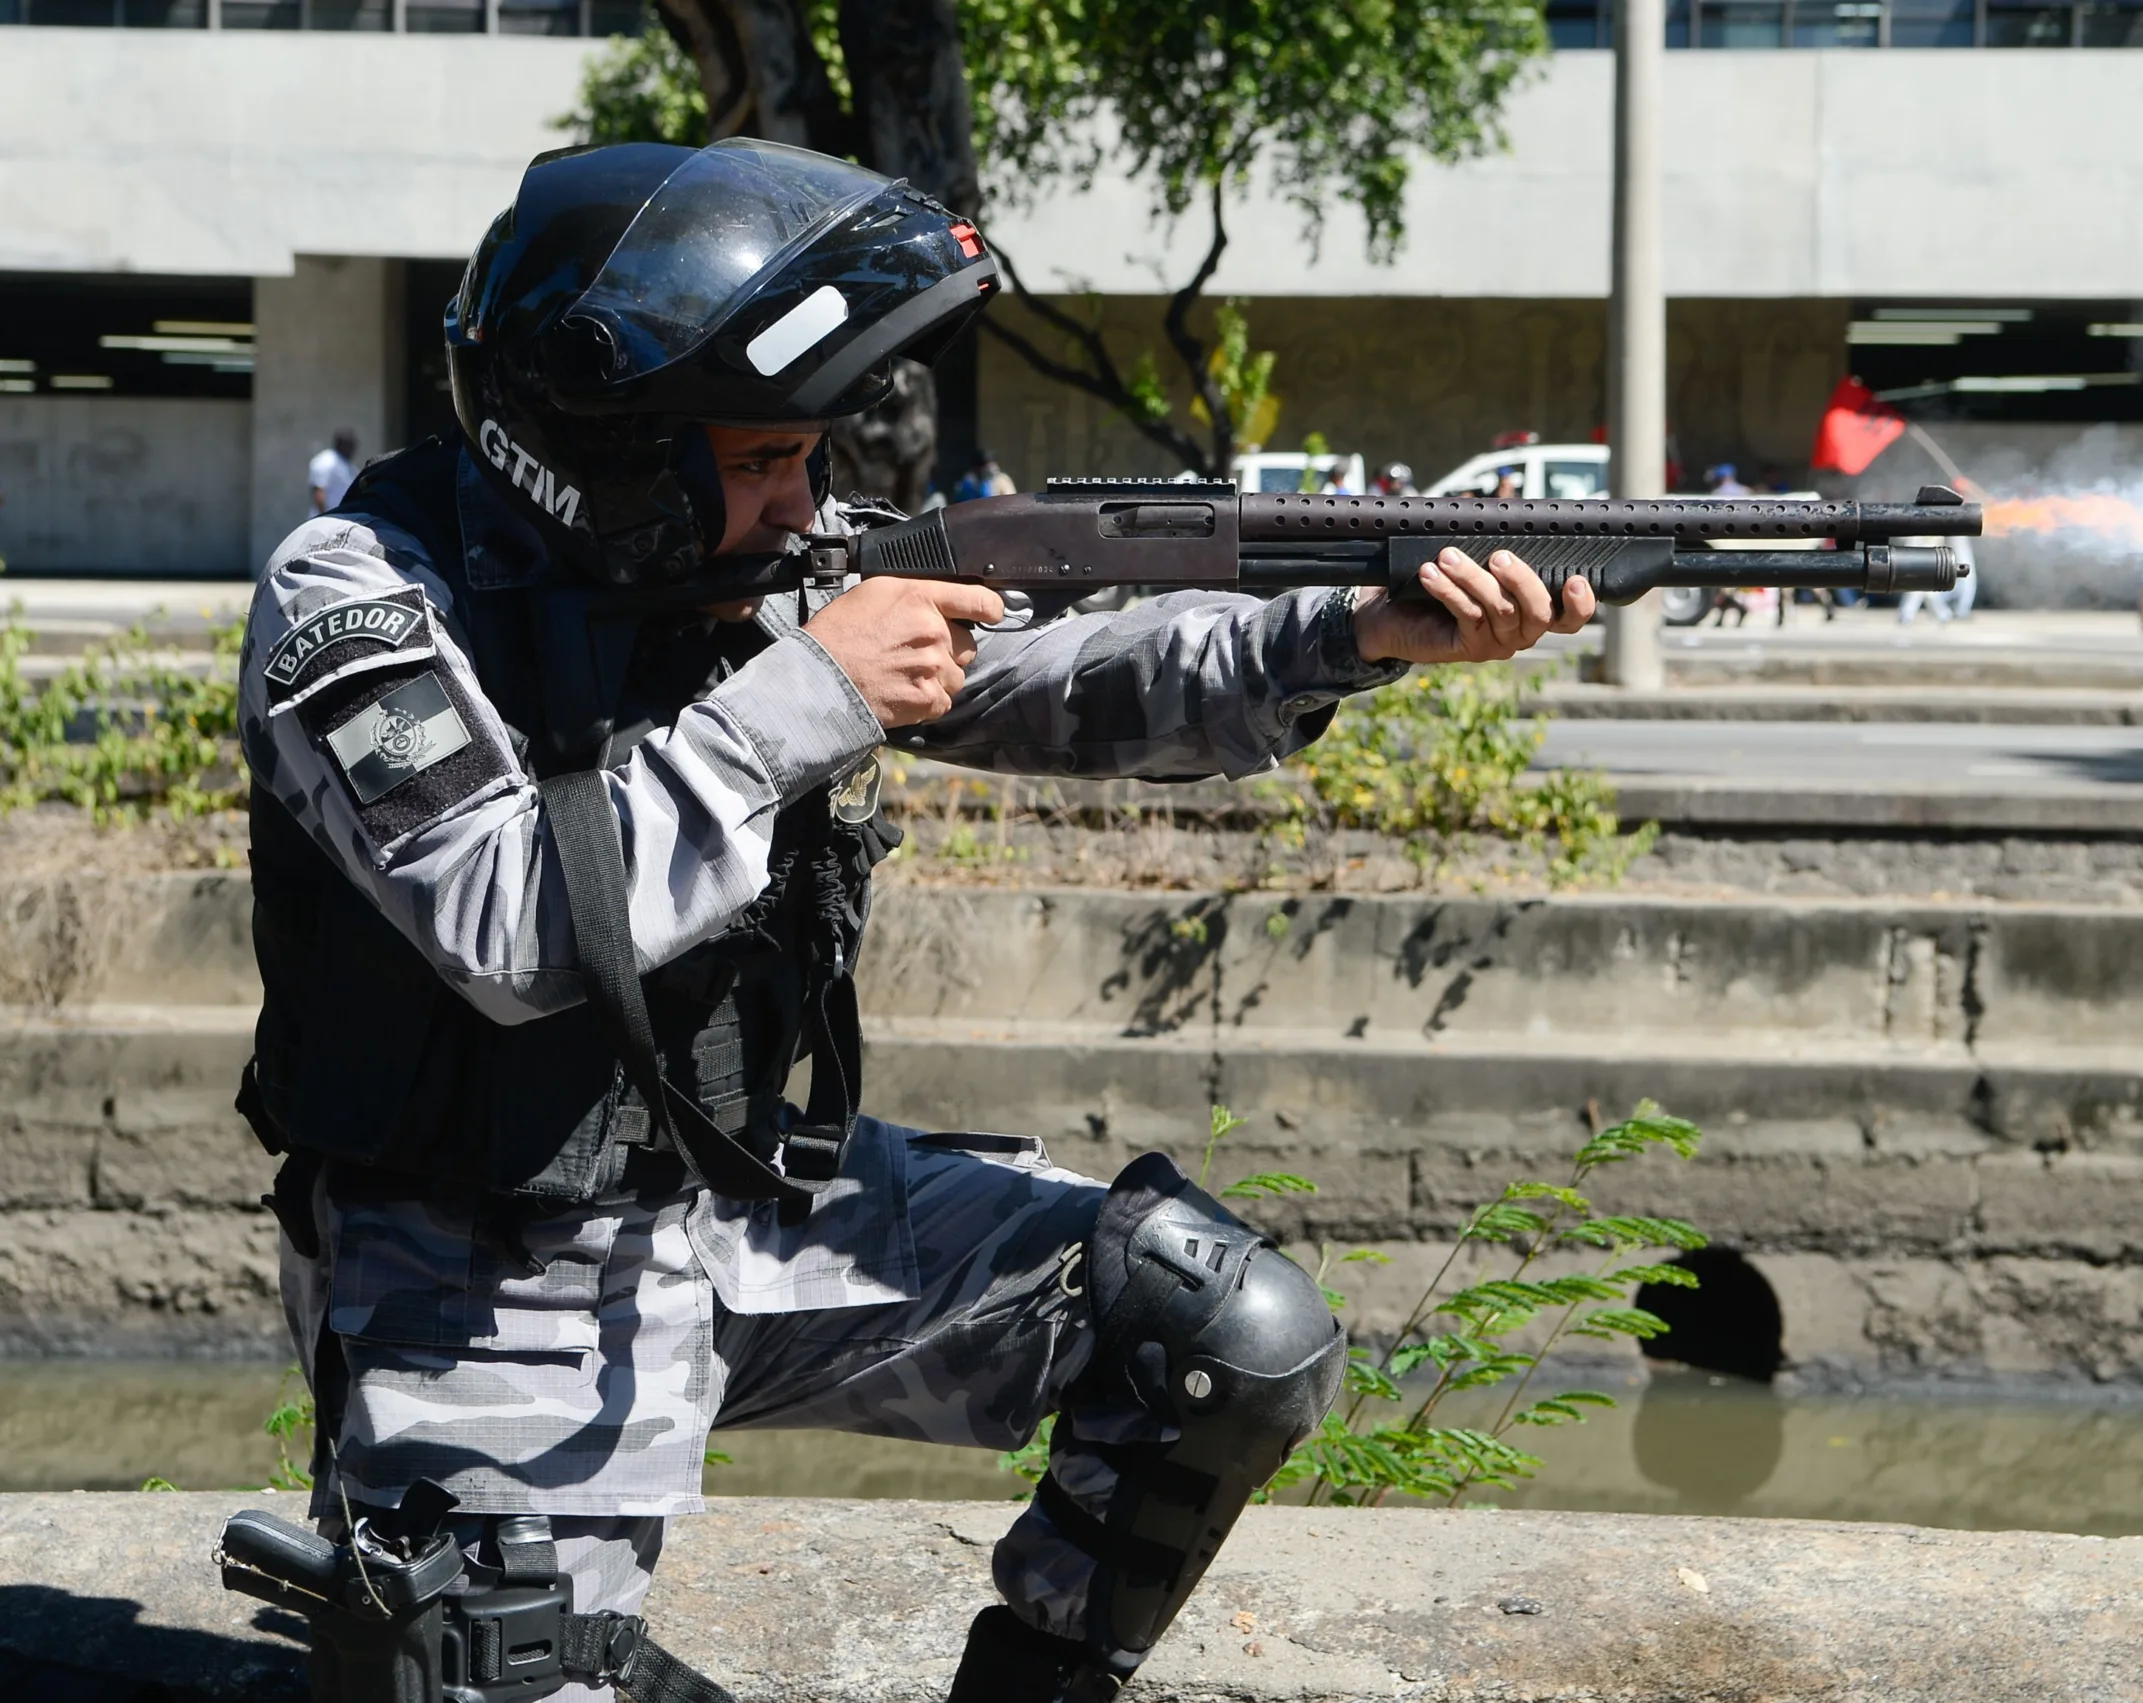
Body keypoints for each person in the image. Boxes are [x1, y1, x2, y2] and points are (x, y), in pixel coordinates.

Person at [230, 138, 1592, 1703]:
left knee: (1218, 1328)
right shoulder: (360, 594)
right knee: (499, 1662)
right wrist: (807, 694)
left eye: (810, 455)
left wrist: (1349, 632)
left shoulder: (764, 554)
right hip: (486, 1261)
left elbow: (1068, 677)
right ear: (606, 459)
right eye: (757, 461)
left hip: (743, 1198)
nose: (804, 501)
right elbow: (505, 921)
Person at [1899, 534, 1979, 625]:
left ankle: (1943, 613)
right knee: (1921, 587)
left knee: (1924, 588)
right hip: (1920, 552)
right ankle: (1942, 614)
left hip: (1930, 553)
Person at [306, 428, 358, 517]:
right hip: (325, 521)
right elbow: (319, 492)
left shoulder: (348, 466)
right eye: (351, 446)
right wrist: (325, 517)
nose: (354, 450)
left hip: (341, 520)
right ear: (342, 445)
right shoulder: (326, 461)